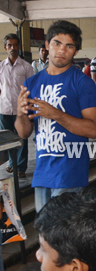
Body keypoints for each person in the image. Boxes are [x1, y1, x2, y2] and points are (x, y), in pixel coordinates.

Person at [15, 20, 96, 271]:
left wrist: (56, 114)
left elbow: (92, 129)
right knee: (47, 243)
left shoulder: (82, 82)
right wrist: (22, 112)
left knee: (66, 242)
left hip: (70, 173)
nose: (62, 50)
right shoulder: (33, 81)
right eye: (57, 43)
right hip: (42, 175)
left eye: (69, 46)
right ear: (47, 46)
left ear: (76, 51)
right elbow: (23, 132)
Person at [0, 33, 33, 178]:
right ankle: (12, 164)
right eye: (9, 45)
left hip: (21, 110)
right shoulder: (1, 67)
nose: (12, 48)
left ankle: (20, 168)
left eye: (15, 45)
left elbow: (31, 88)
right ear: (5, 47)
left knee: (22, 139)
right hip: (4, 109)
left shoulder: (26, 67)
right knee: (7, 140)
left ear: (19, 47)